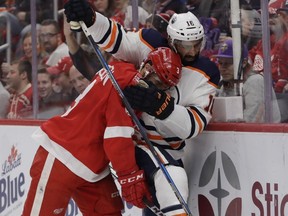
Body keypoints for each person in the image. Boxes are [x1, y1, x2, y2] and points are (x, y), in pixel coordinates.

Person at [64, 1, 220, 214]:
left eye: (197, 43)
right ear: (172, 40)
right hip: (128, 139)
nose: (192, 51)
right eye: (185, 45)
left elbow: (193, 125)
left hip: (164, 147)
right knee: (172, 178)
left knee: (165, 192)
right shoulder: (150, 42)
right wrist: (91, 18)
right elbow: (115, 38)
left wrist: (160, 105)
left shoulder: (207, 72)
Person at [22, 47, 183, 216]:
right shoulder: (130, 86)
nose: (158, 90)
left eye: (164, 87)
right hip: (62, 154)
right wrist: (130, 176)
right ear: (147, 68)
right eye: (157, 82)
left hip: (94, 167)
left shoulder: (122, 69)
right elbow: (117, 136)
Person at [214, 39, 281, 123]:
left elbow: (251, 121)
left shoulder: (255, 81)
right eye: (220, 63)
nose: (222, 68)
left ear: (244, 62)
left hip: (263, 135)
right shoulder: (225, 81)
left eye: (228, 63)